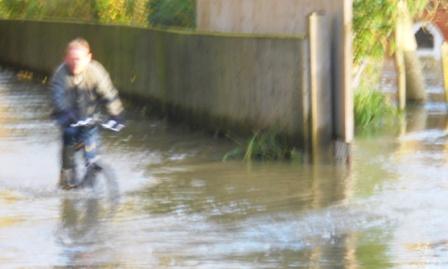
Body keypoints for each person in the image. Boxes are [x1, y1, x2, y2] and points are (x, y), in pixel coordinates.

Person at [51, 37, 124, 189]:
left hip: (90, 117)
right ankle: (67, 174)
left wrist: (116, 114)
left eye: (79, 59)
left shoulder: (96, 71)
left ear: (89, 58)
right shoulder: (60, 74)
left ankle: (93, 179)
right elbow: (58, 99)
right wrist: (67, 113)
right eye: (71, 59)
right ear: (66, 59)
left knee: (92, 152)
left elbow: (108, 93)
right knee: (69, 135)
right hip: (67, 117)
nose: (75, 62)